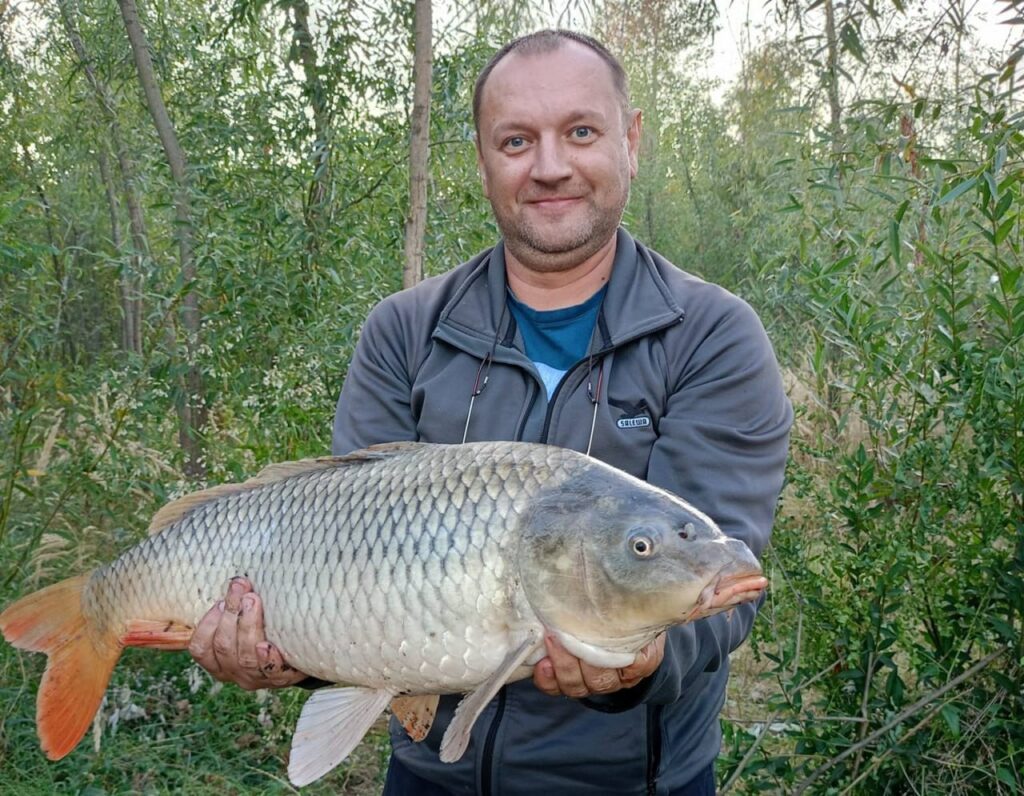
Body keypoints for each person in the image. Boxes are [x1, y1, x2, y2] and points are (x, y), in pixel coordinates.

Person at [188, 29, 792, 796]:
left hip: (637, 783)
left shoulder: (711, 335)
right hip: (430, 780)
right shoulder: (403, 330)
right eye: (516, 140)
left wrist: (643, 661)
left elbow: (712, 578)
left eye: (580, 131)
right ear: (482, 160)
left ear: (630, 140)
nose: (549, 166)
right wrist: (280, 655)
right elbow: (341, 584)